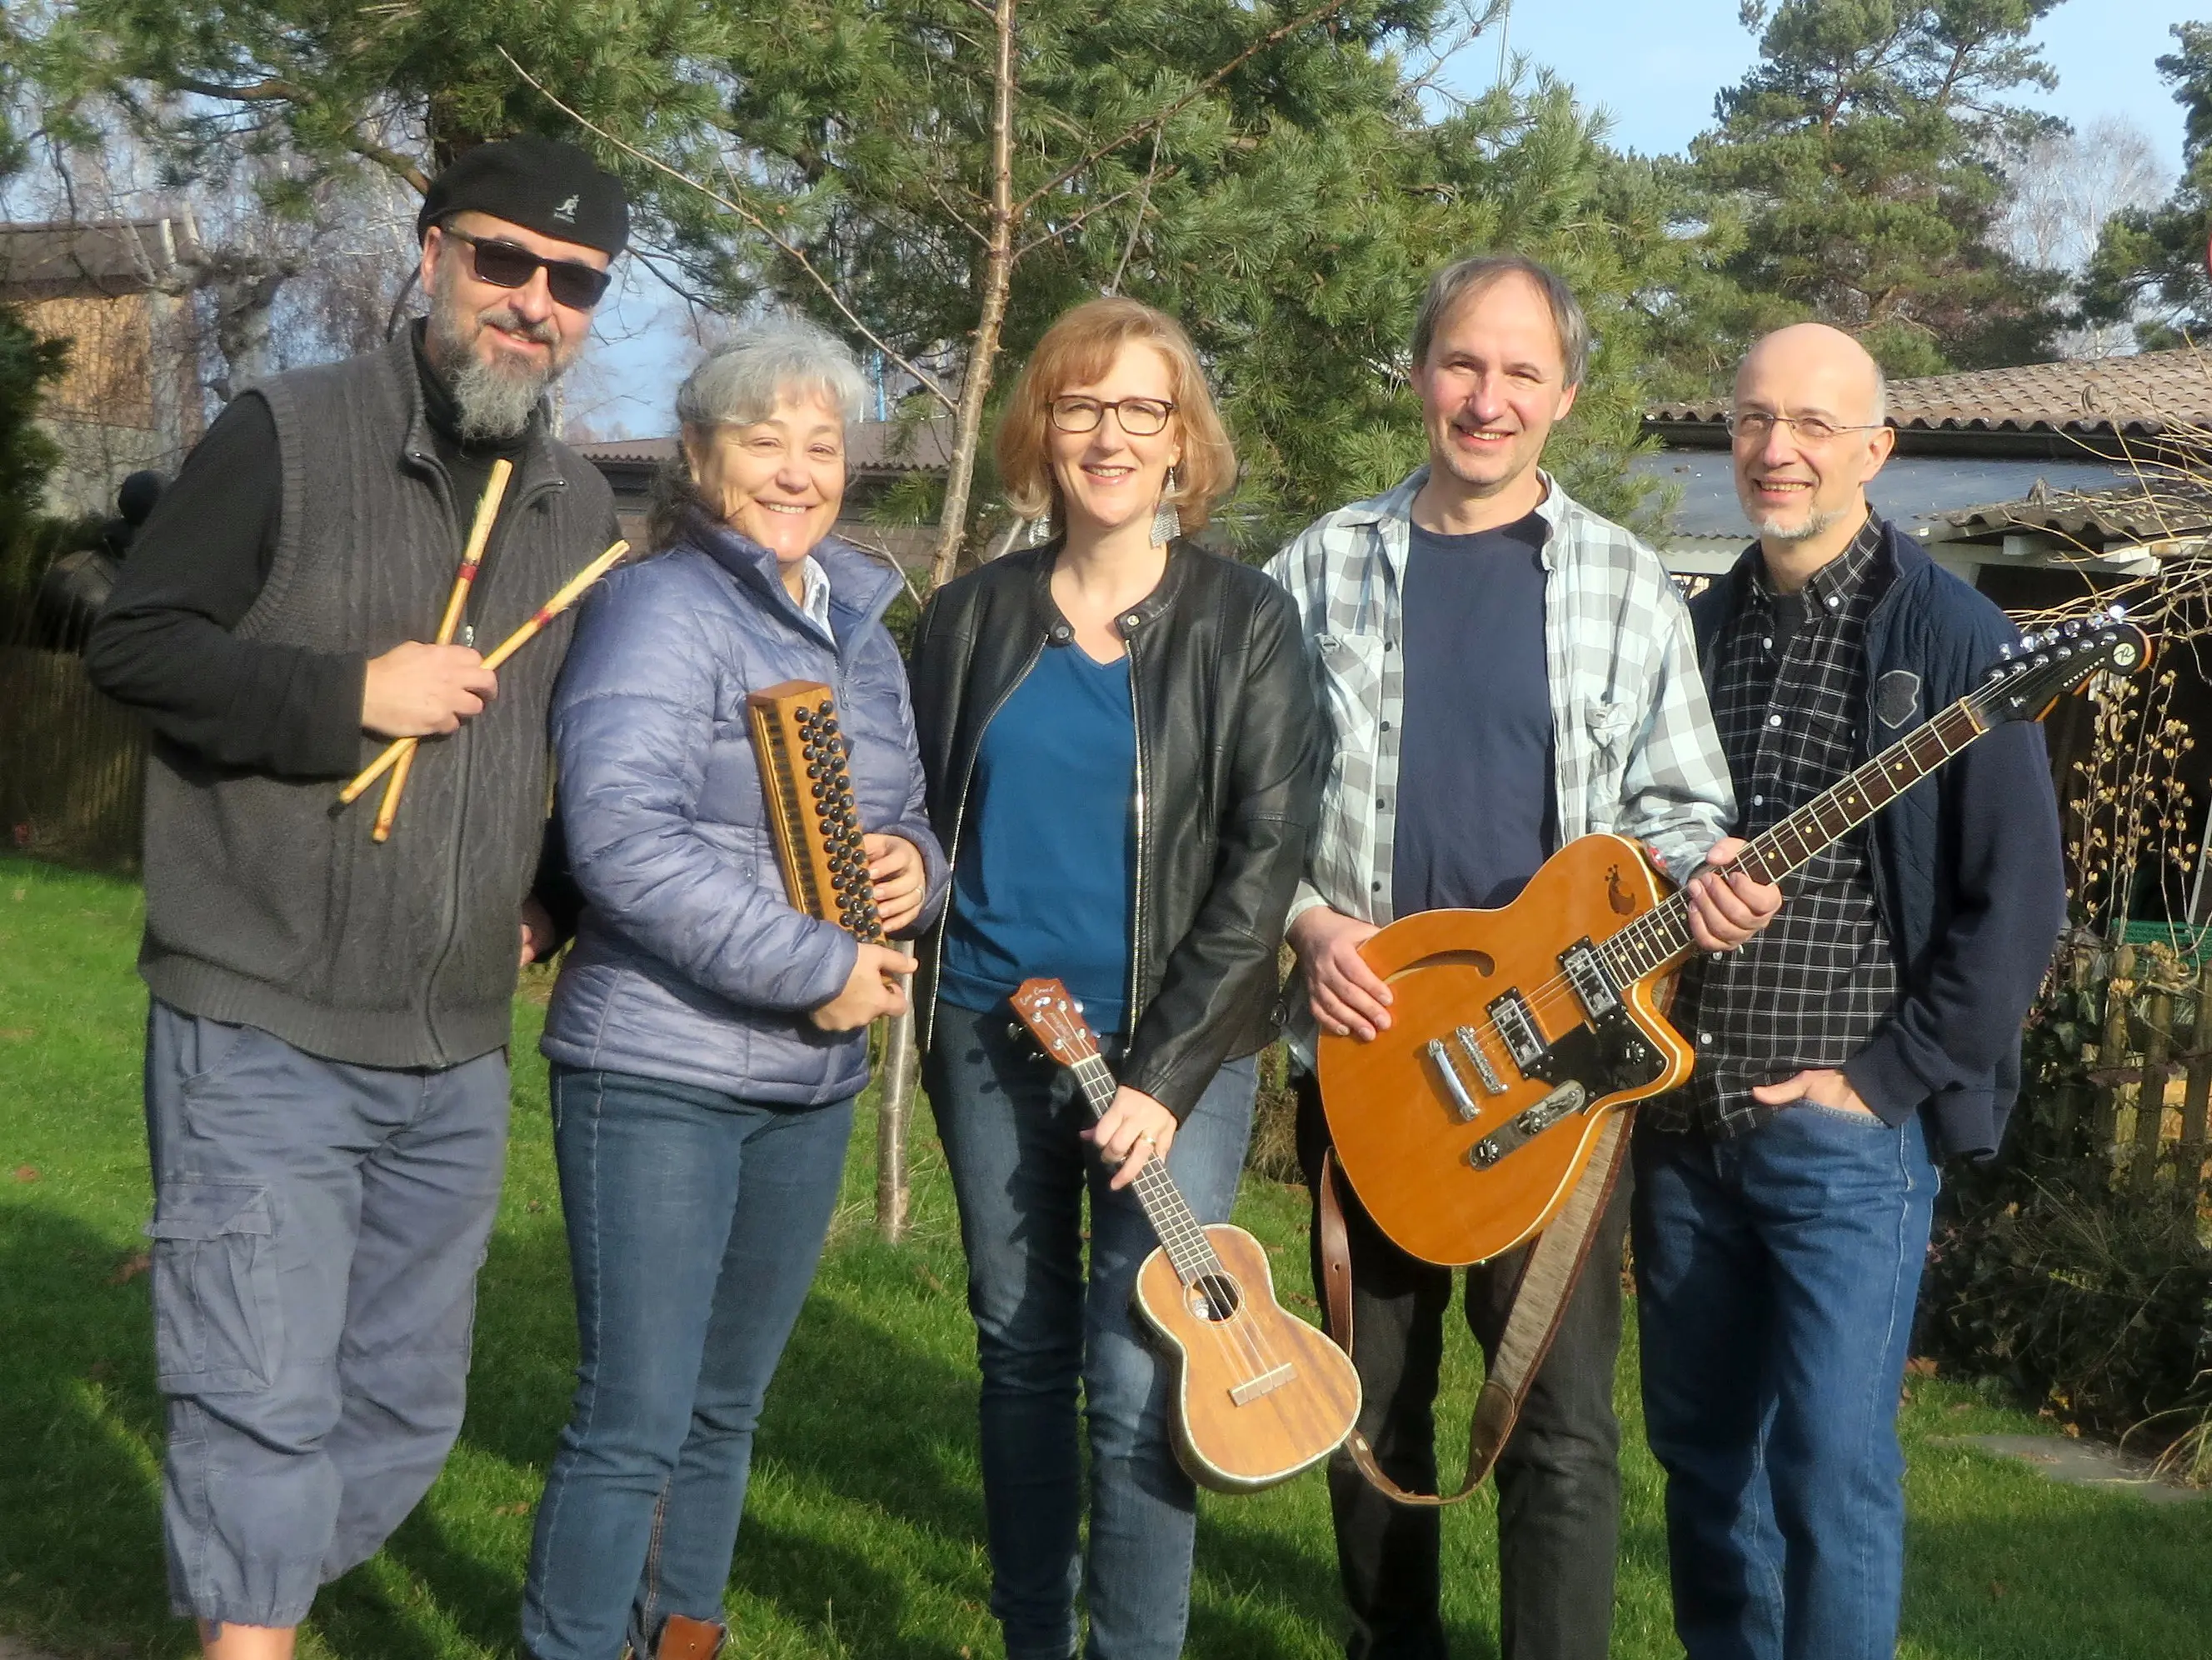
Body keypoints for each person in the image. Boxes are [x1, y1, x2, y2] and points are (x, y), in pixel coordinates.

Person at [82, 135, 629, 1660]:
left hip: (451, 1046)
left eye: (572, 281)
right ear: (433, 250)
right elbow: (138, 646)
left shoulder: (576, 510)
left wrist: (558, 892)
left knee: (400, 1408)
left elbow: (579, 745)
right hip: (260, 1014)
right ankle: (248, 1631)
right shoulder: (287, 433)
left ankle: (247, 1599)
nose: (533, 301)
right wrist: (349, 696)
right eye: (504, 260)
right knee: (260, 1396)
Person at [1265, 252, 1782, 1660]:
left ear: (1565, 396)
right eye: (1461, 364)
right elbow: (1239, 814)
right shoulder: (1314, 565)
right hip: (1372, 1051)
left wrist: (1707, 876)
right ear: (1419, 370)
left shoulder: (1622, 578)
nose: (1485, 400)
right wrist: (1305, 923)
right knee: (1369, 1404)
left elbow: (1682, 814)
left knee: (1557, 1430)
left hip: (1560, 1070)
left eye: (1519, 374)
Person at [1633, 322, 2066, 1660]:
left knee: (1828, 1475)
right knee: (1707, 1472)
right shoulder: (1691, 632)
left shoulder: (1952, 639)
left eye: (1815, 424)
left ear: (1875, 451)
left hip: (1841, 1139)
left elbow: (2017, 909)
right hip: (1680, 1122)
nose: (1777, 448)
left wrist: (1876, 1085)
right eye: (1756, 418)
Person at [520, 321, 946, 1660]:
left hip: (809, 1085)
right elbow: (621, 841)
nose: (795, 470)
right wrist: (820, 965)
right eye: (764, 441)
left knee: (724, 1407)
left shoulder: (861, 628)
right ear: (701, 458)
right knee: (633, 1414)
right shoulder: (660, 609)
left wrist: (908, 872)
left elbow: (919, 821)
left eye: (821, 445)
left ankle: (682, 1639)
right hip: (656, 1069)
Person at [907, 296, 1320, 1660]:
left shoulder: (1246, 621)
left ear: (1181, 442)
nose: (1108, 434)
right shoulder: (968, 620)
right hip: (988, 1033)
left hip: (1172, 1058)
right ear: (1042, 427)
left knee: (1145, 1367)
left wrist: (1159, 1076)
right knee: (1020, 1354)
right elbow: (914, 820)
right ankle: (1035, 1639)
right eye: (1081, 405)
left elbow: (1262, 868)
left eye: (1140, 408)